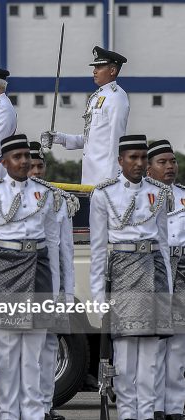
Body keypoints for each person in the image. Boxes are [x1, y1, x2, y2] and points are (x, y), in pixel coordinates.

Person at [0, 134, 60, 419]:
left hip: (39, 270)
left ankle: (33, 413)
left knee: (33, 356)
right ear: (5, 162)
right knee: (7, 355)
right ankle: (8, 413)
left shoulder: (45, 194)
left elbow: (54, 244)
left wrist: (57, 291)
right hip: (5, 272)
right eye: (17, 157)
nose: (23, 162)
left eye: (26, 156)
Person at [90, 135, 172, 420]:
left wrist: (169, 291)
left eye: (142, 158)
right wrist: (98, 294)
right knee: (124, 357)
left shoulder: (159, 192)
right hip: (123, 270)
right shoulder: (104, 194)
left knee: (151, 358)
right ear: (120, 160)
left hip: (154, 268)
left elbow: (163, 243)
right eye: (132, 157)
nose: (138, 163)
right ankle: (127, 414)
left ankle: (147, 414)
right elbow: (99, 250)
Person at [27, 142, 78, 420]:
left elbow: (66, 251)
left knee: (48, 347)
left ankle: (45, 406)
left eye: (39, 165)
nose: (36, 170)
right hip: (21, 283)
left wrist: (67, 293)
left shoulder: (58, 200)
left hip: (52, 284)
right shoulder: (6, 197)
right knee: (21, 349)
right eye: (31, 165)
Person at [41, 46, 129, 186]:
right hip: (90, 175)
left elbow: (117, 139)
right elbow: (93, 138)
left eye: (100, 67)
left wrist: (113, 177)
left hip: (105, 177)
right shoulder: (97, 96)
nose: (94, 71)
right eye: (95, 67)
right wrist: (61, 138)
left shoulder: (116, 97)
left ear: (112, 70)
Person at [145, 140, 184, 420]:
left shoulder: (183, 196)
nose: (170, 166)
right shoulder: (140, 197)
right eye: (163, 162)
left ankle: (175, 407)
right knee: (155, 344)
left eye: (172, 161)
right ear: (148, 169)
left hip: (181, 268)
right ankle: (155, 406)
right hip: (154, 268)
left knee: (179, 344)